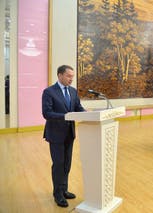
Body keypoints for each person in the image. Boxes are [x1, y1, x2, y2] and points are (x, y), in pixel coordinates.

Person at [42, 65, 85, 208]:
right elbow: (47, 113)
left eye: (72, 76)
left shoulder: (73, 91)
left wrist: (88, 113)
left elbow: (78, 107)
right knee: (58, 164)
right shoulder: (49, 92)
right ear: (59, 75)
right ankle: (58, 194)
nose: (71, 79)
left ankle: (64, 189)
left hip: (69, 134)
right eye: (68, 76)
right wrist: (66, 116)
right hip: (56, 135)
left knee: (67, 164)